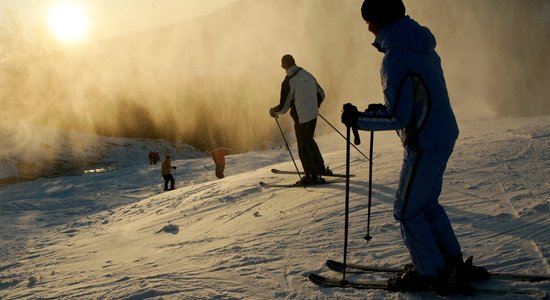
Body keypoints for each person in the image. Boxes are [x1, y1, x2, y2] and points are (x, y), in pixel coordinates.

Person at [341, 0, 488, 295]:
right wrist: (379, 109)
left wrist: (358, 119)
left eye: (368, 21)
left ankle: (431, 272)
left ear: (379, 21)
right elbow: (414, 98)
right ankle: (450, 262)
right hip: (442, 133)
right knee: (426, 204)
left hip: (424, 142)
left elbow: (400, 116)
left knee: (406, 211)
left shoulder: (394, 56)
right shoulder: (421, 43)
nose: (367, 27)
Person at [269, 54, 332, 186]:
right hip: (313, 115)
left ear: (283, 66)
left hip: (301, 119)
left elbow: (284, 106)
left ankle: (311, 176)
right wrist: (314, 106)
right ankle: (320, 168)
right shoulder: (307, 74)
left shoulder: (288, 81)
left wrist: (273, 111)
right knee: (310, 140)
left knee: (303, 147)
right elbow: (321, 93)